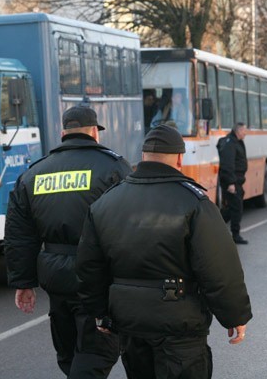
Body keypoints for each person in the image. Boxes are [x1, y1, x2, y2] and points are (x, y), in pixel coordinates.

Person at [76, 125, 253, 379]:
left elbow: (89, 267)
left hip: (130, 323)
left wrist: (99, 313)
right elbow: (219, 268)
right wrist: (235, 315)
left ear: (143, 155)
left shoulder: (106, 203)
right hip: (180, 325)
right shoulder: (194, 202)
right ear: (180, 158)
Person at [3, 105, 132, 378]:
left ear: (63, 132)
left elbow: (19, 234)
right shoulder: (112, 167)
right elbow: (130, 224)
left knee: (69, 352)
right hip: (97, 273)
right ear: (95, 132)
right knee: (98, 350)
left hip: (55, 274)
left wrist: (23, 282)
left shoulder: (34, 173)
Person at [217, 122, 249, 245]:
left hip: (237, 181)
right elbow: (227, 165)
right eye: (244, 130)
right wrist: (231, 183)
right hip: (232, 182)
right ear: (238, 130)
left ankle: (216, 226)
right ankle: (235, 235)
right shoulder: (230, 144)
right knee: (236, 208)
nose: (245, 133)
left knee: (233, 208)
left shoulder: (237, 142)